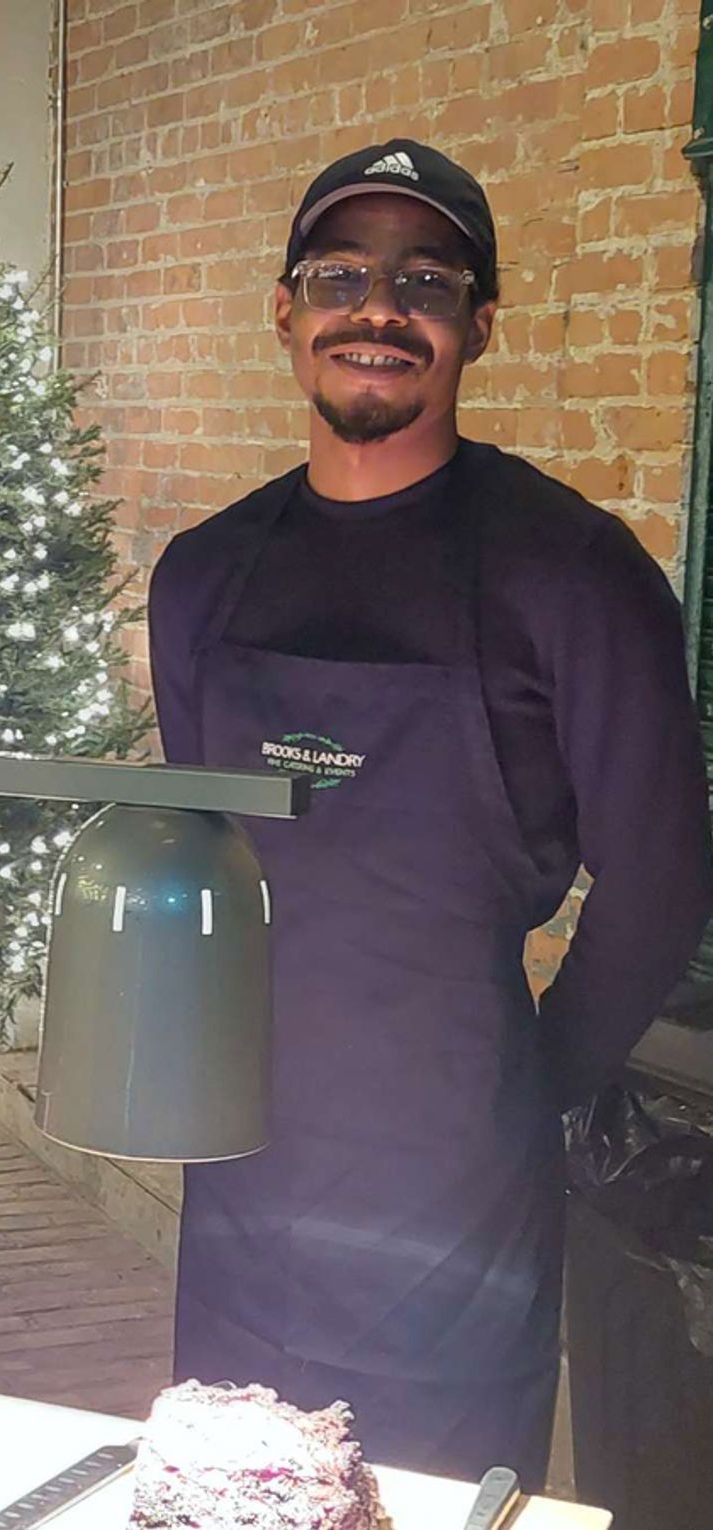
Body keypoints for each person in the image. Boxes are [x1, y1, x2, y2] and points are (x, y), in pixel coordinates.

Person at [147, 138, 713, 1487]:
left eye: (424, 278)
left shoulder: (571, 574)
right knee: (222, 1494)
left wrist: (516, 1093)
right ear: (283, 310)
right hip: (242, 1159)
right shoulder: (203, 577)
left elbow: (658, 887)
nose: (376, 306)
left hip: (452, 1181)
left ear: (477, 326)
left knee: (433, 1500)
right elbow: (203, 861)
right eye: (338, 271)